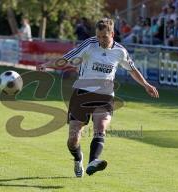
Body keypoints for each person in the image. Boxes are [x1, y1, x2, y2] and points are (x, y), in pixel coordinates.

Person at [40, 18, 159, 177]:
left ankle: (93, 161)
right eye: (98, 36)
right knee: (73, 138)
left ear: (112, 34)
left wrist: (146, 85)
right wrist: (47, 65)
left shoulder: (120, 51)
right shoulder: (89, 44)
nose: (100, 40)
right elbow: (67, 58)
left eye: (104, 36)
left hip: (105, 95)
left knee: (101, 127)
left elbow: (132, 69)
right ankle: (78, 158)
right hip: (82, 93)